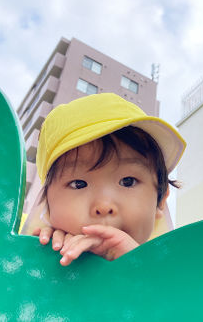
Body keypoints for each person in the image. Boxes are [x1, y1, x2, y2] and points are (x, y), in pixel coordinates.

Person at [20, 93, 186, 265]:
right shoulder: (30, 261)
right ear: (47, 205)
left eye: (128, 181)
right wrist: (36, 259)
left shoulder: (175, 273)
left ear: (160, 199)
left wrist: (135, 268)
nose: (104, 206)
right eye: (78, 184)